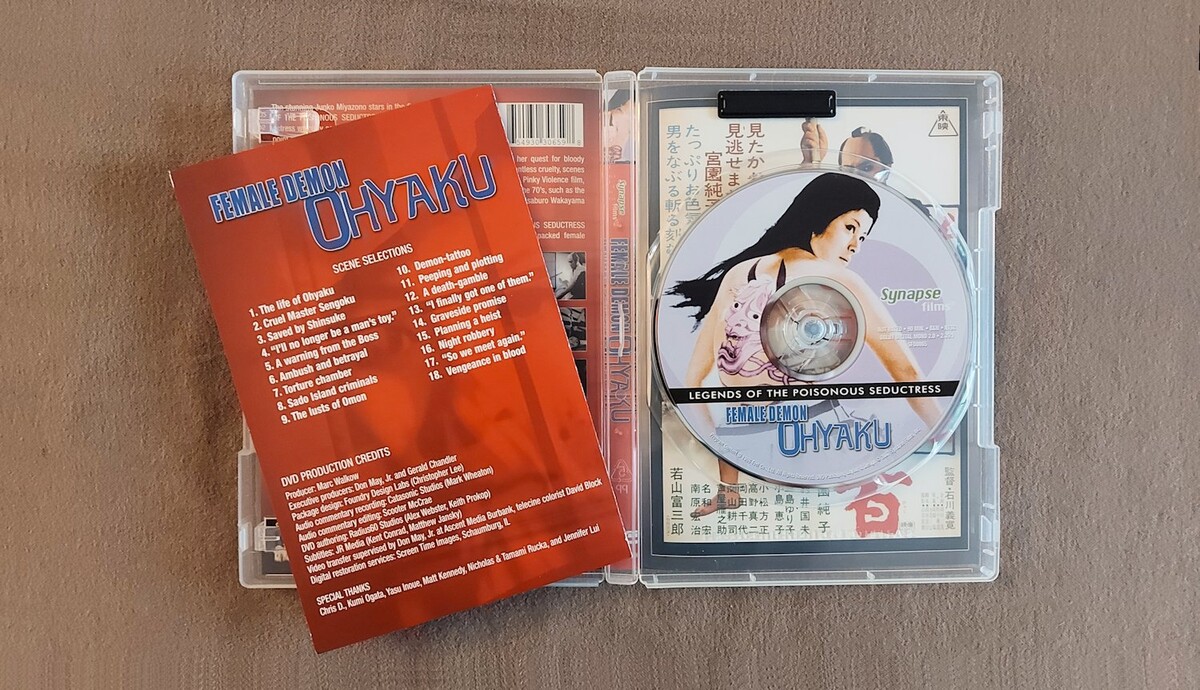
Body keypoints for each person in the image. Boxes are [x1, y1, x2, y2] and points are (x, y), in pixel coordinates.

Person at [668, 173, 940, 517]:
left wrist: (723, 464)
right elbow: (907, 371)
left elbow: (692, 382)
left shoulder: (740, 273)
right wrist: (942, 433)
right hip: (813, 436)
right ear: (820, 217)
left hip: (744, 437)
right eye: (850, 228)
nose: (856, 245)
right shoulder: (840, 280)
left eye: (862, 236)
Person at [801, 121, 894, 179]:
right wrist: (810, 163)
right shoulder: (833, 202)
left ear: (887, 167)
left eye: (866, 168)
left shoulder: (901, 203)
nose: (856, 177)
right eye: (848, 171)